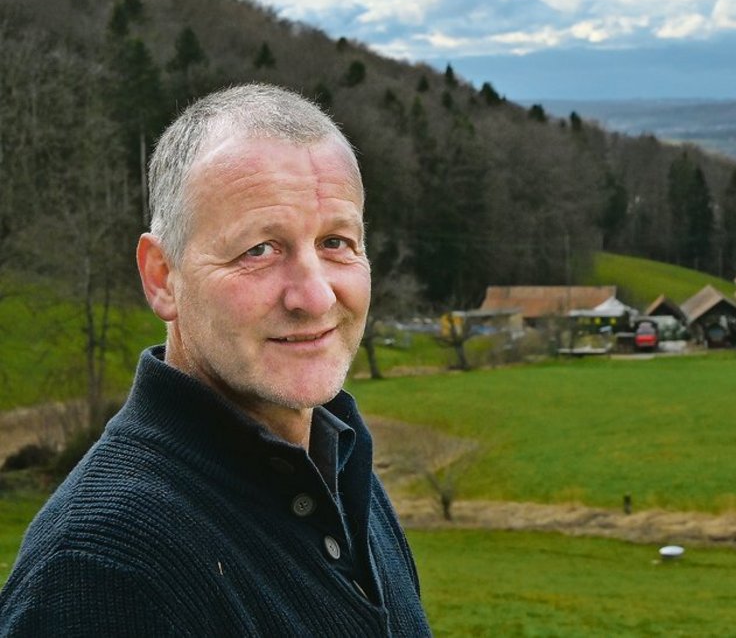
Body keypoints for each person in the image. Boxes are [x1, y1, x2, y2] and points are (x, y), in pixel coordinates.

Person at [0, 84, 431, 635]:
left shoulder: (339, 465)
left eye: (336, 243)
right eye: (259, 250)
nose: (316, 295)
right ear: (163, 278)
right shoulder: (102, 570)